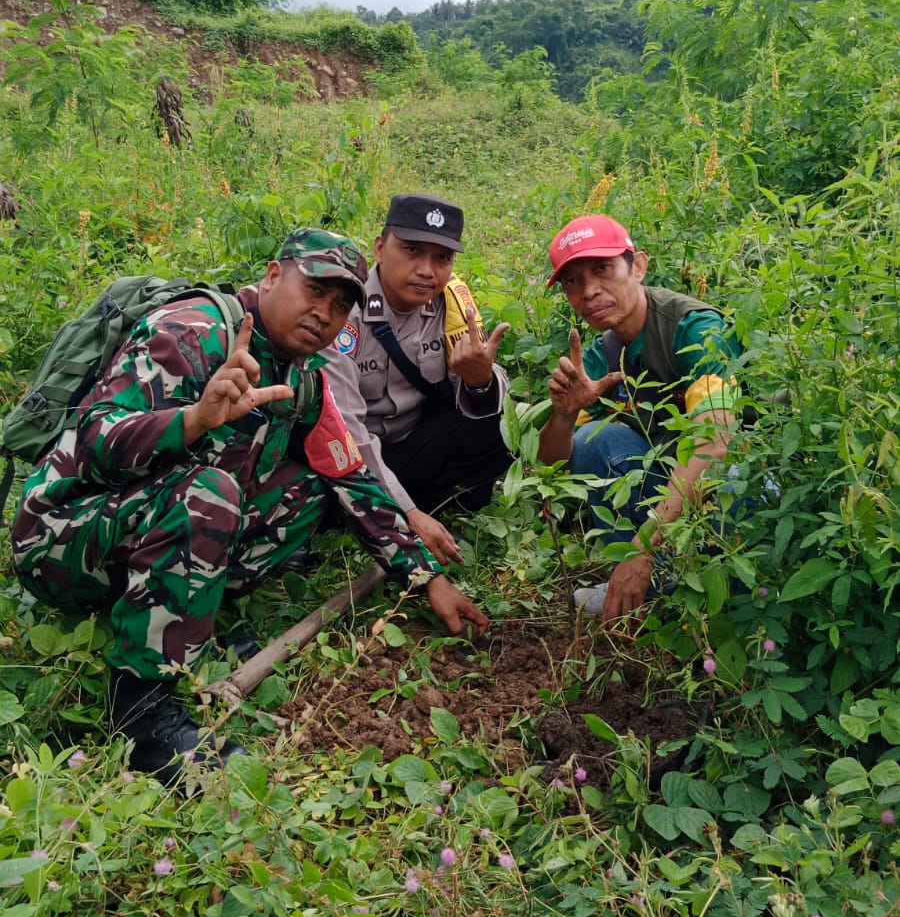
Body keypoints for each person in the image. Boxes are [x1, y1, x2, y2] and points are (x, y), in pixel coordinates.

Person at [11, 228, 487, 781]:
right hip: (63, 536)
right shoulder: (190, 333)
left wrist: (424, 577)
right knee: (211, 493)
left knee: (308, 492)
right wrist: (191, 422)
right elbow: (95, 442)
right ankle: (140, 712)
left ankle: (185, 615)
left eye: (339, 305)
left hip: (145, 529)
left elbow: (348, 473)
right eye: (313, 290)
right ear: (271, 275)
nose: (323, 314)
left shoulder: (304, 373)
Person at [537, 214, 741, 624]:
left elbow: (714, 443)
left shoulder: (694, 328)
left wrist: (641, 551)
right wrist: (565, 413)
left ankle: (663, 577)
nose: (589, 291)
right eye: (572, 282)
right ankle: (651, 584)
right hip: (673, 488)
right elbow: (552, 464)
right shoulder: (602, 353)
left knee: (732, 479)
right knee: (595, 439)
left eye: (602, 269)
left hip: (738, 481)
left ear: (639, 266)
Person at [322, 193, 511, 566]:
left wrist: (479, 380)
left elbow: (488, 389)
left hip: (411, 444)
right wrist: (407, 512)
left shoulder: (453, 304)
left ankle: (429, 511)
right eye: (411, 250)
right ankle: (398, 514)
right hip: (352, 454)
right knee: (317, 487)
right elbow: (346, 430)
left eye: (442, 258)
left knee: (499, 422)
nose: (427, 270)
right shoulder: (345, 308)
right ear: (379, 248)